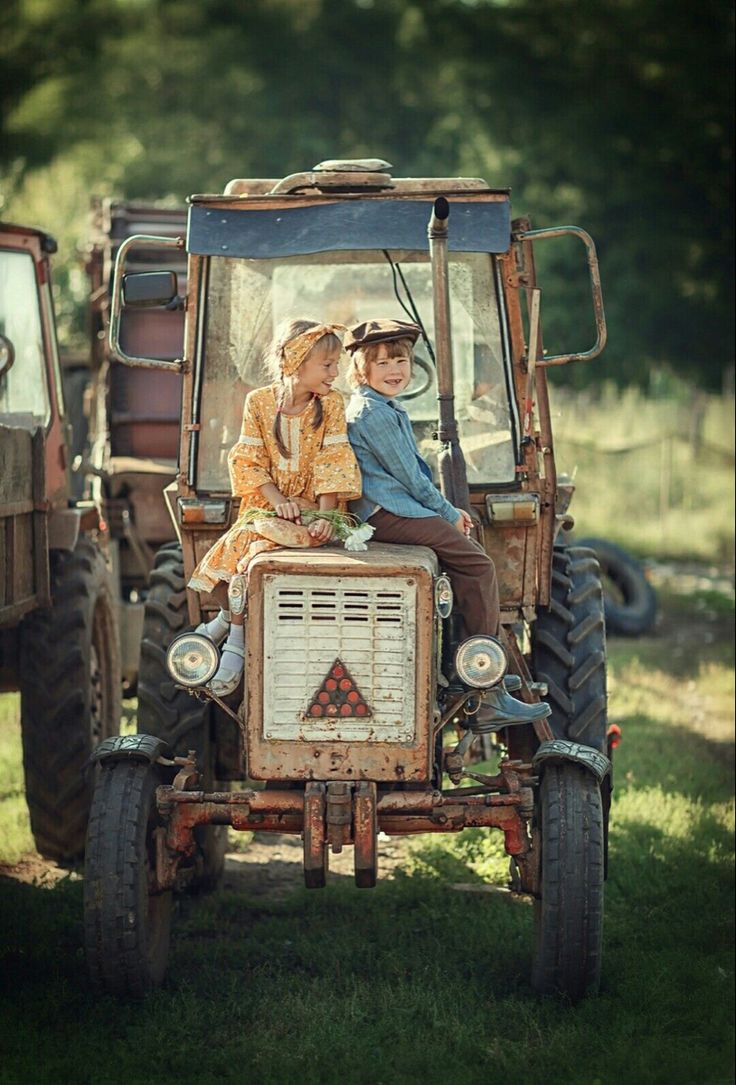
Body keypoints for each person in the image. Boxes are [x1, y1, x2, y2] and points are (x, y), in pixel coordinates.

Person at [344, 318, 550, 728]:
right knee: (478, 566)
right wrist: (447, 512)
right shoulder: (373, 413)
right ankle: (484, 687)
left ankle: (472, 670)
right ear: (362, 369)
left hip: (396, 508)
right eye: (383, 362)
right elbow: (411, 479)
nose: (395, 370)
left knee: (463, 568)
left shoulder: (384, 407)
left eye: (401, 359)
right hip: (391, 513)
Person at [189, 319, 361, 696]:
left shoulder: (330, 404)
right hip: (267, 505)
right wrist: (279, 502)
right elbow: (249, 459)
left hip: (315, 510)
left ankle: (227, 628)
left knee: (256, 551)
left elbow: (332, 459)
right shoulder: (260, 402)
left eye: (337, 365)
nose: (336, 373)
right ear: (296, 362)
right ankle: (235, 635)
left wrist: (327, 516)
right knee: (249, 549)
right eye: (328, 365)